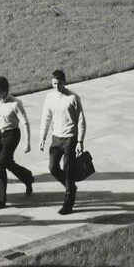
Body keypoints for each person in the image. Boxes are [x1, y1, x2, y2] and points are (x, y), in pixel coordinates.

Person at [38, 69, 86, 215]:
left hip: (70, 138)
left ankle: (68, 203)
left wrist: (80, 141)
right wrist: (42, 137)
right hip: (56, 138)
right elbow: (46, 118)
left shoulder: (73, 98)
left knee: (68, 170)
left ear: (64, 82)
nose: (56, 87)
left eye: (59, 84)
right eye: (54, 84)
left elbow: (81, 120)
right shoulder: (50, 97)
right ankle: (69, 185)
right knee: (53, 168)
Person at [0, 75, 33, 208]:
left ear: (5, 90)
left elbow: (25, 123)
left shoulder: (15, 104)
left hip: (12, 135)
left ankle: (1, 200)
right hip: (0, 134)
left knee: (0, 165)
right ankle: (27, 177)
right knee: (7, 163)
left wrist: (27, 142)